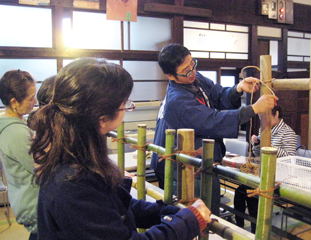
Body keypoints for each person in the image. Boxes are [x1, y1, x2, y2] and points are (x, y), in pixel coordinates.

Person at [30, 57, 212, 240]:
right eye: (124, 103)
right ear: (101, 119)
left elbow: (117, 206)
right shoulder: (73, 181)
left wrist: (171, 213)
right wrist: (188, 221)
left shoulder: (76, 153)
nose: (127, 107)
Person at [150, 43, 278, 216]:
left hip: (200, 162)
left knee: (208, 212)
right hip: (182, 168)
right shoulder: (177, 100)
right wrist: (253, 109)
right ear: (170, 75)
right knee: (194, 217)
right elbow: (213, 121)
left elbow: (218, 95)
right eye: (186, 70)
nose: (192, 71)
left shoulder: (194, 77)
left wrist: (238, 88)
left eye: (193, 64)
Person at [234, 104, 297, 233]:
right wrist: (256, 144)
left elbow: (290, 158)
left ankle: (255, 230)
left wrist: (269, 145)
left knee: (252, 195)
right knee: (240, 192)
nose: (262, 119)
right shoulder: (264, 130)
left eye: (265, 116)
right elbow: (258, 154)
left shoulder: (288, 132)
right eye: (261, 116)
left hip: (279, 174)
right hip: (262, 172)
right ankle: (238, 225)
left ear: (276, 114)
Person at [0, 69, 38, 240]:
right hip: (33, 205)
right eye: (31, 98)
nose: (35, 102)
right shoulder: (15, 131)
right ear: (14, 102)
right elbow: (37, 166)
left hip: (25, 200)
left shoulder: (16, 123)